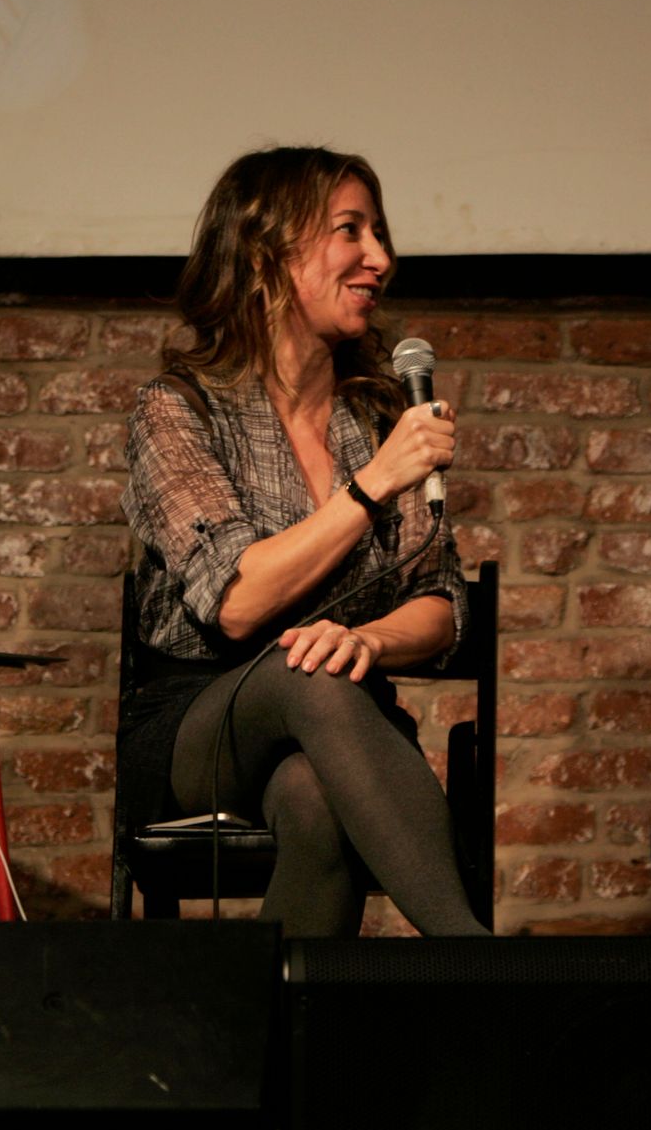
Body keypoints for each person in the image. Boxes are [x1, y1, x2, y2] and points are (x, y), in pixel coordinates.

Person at [120, 146, 488, 938]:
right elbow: (239, 601)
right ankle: (474, 959)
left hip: (341, 726)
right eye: (350, 231)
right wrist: (372, 486)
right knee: (301, 663)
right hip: (199, 726)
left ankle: (264, 1055)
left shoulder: (380, 417)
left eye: (380, 233)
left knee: (317, 806)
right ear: (265, 254)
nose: (380, 259)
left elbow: (444, 608)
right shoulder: (179, 409)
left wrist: (365, 638)